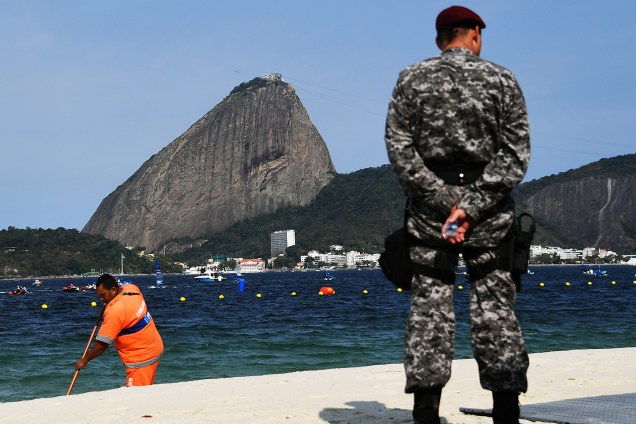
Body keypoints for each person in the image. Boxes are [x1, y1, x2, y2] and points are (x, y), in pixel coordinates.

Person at [384, 5, 530, 424]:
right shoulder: (502, 80)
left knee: (429, 314)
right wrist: (470, 206)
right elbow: (515, 155)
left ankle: (426, 412)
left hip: (432, 219)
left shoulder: (411, 79)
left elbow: (400, 152)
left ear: (439, 39)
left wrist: (445, 201)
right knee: (496, 313)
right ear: (476, 36)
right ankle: (506, 412)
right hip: (489, 219)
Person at [75, 273, 164, 387]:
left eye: (103, 295)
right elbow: (137, 289)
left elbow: (102, 344)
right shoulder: (132, 289)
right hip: (155, 347)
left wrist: (84, 360)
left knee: (135, 397)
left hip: (141, 359)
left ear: (113, 290)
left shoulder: (115, 311)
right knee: (145, 391)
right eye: (99, 296)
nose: (101, 299)